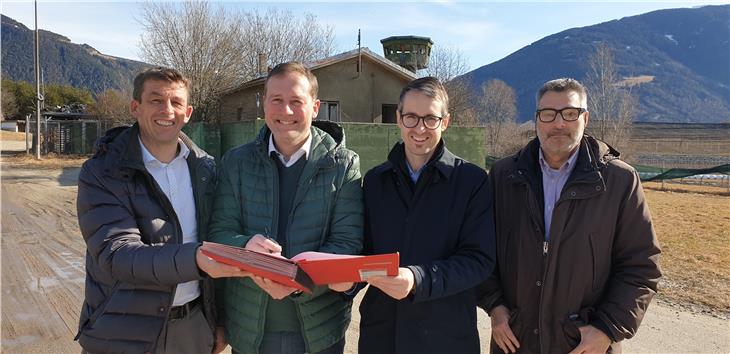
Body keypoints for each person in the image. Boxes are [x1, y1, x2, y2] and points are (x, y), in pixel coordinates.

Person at [477, 78, 662, 354]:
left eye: (570, 113)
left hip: (583, 345)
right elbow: (481, 249)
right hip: (516, 341)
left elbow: (641, 267)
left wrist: (607, 329)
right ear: (537, 120)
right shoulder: (504, 177)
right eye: (548, 114)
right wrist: (495, 307)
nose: (559, 123)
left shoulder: (619, 181)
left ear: (585, 119)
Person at [75, 67, 246, 353]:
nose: (167, 110)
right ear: (135, 108)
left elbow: (220, 236)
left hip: (192, 328)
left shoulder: (206, 170)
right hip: (123, 330)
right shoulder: (103, 172)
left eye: (176, 102)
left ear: (188, 112)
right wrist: (197, 259)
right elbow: (116, 255)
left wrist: (217, 320)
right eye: (156, 100)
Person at [208, 61, 363, 354]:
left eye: (296, 102)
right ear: (263, 104)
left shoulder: (344, 164)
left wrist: (296, 281)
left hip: (319, 333)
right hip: (251, 330)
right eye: (277, 100)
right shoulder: (236, 163)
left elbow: (347, 244)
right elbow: (219, 233)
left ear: (315, 107)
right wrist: (245, 246)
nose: (286, 111)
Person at [353, 76, 496, 354]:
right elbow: (363, 251)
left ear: (445, 121)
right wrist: (345, 284)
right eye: (411, 117)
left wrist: (418, 279)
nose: (420, 128)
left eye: (430, 118)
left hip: (445, 335)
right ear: (398, 118)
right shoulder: (375, 181)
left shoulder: (471, 181)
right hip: (383, 336)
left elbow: (479, 260)